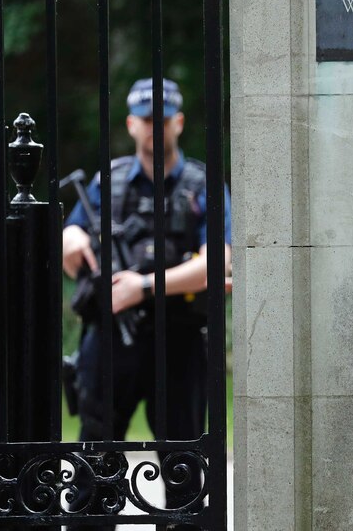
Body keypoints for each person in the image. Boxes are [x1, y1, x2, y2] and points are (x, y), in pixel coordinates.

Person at [62, 77, 232, 529]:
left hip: (177, 339)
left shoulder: (201, 185)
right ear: (131, 125)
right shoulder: (108, 181)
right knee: (96, 460)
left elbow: (218, 262)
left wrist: (143, 285)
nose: (154, 129)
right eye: (145, 120)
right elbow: (69, 244)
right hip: (110, 339)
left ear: (178, 121)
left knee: (183, 463)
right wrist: (72, 237)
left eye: (162, 120)